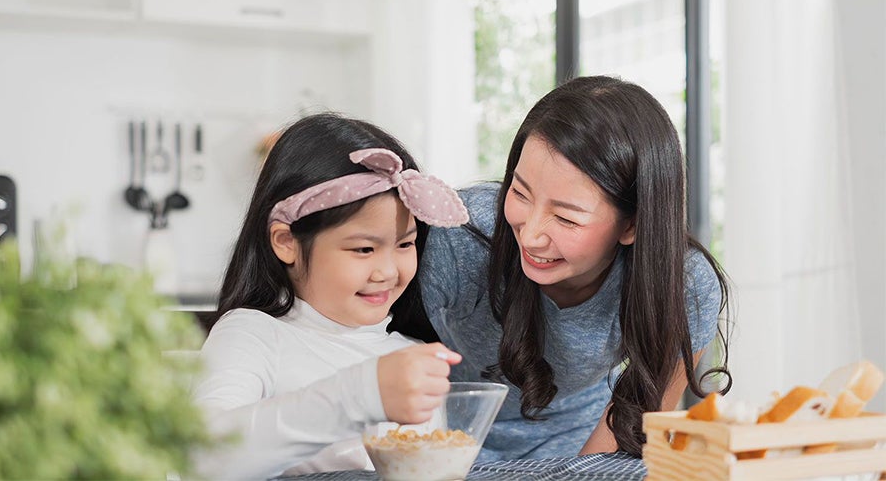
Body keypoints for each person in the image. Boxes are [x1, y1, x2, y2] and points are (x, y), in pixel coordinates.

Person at [400, 75, 732, 460]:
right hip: (444, 434)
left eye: (566, 218)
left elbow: (638, 420)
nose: (530, 236)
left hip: (585, 440)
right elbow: (376, 351)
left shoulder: (684, 284)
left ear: (632, 225)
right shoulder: (464, 235)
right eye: (520, 192)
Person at [191, 113, 469, 479]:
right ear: (286, 242)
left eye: (405, 244)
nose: (387, 272)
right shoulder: (253, 335)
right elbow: (203, 458)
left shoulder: (412, 353)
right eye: (363, 249)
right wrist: (361, 395)